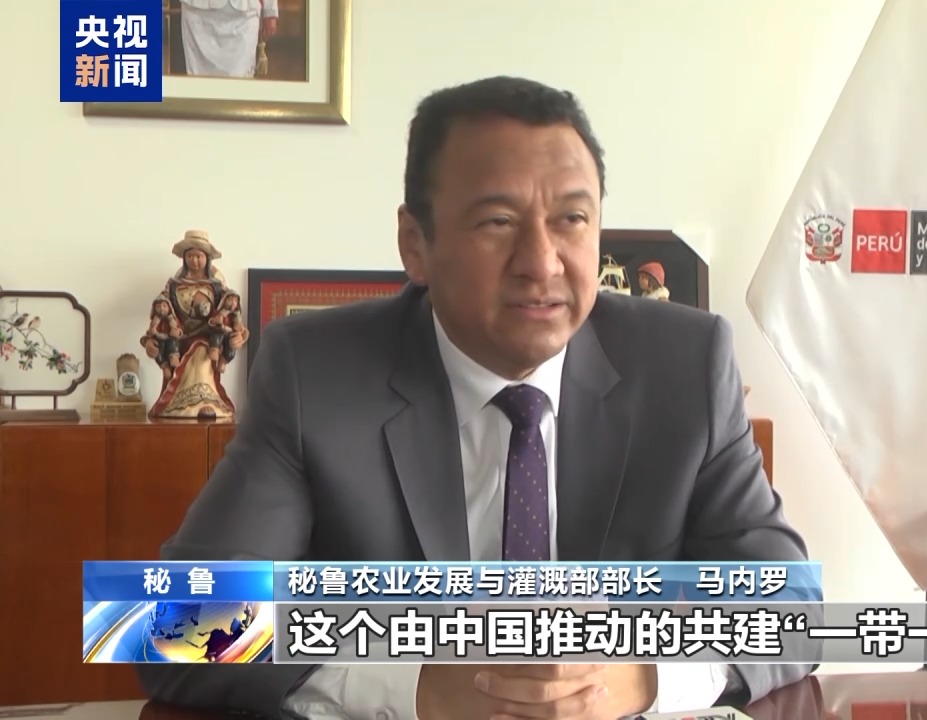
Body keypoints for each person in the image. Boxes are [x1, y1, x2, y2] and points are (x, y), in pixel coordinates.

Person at [137, 75, 815, 719]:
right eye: (497, 222)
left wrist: (640, 673)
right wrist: (416, 684)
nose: (542, 262)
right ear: (415, 244)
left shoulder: (683, 366)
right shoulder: (315, 375)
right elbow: (170, 624)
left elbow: (797, 609)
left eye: (572, 218)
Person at [139, 231, 243, 420]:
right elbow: (163, 313)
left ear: (207, 258)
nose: (194, 261)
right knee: (176, 354)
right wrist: (149, 341)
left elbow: (231, 314)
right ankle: (179, 404)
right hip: (179, 338)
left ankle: (206, 401)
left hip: (209, 338)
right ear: (184, 259)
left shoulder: (217, 287)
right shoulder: (173, 286)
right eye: (190, 256)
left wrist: (239, 336)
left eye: (199, 256)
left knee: (202, 352)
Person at [177, 0, 279, 78]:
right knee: (199, 83)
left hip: (245, 14)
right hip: (198, 12)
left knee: (240, 81)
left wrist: (270, 10)